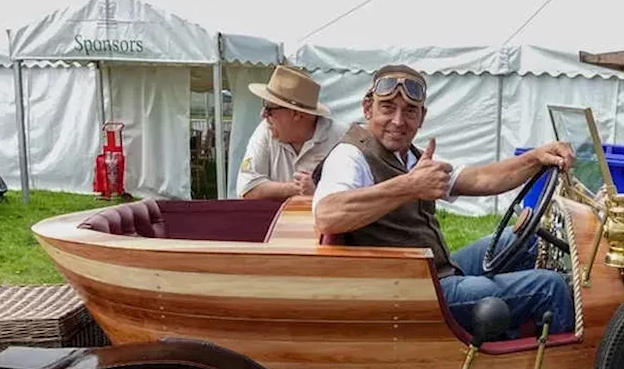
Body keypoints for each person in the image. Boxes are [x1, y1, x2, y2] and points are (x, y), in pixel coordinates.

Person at [312, 64, 575, 338]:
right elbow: (327, 215)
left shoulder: (408, 156)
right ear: (368, 108)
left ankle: (507, 336)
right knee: (550, 287)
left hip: (435, 272)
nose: (398, 121)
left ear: (422, 117)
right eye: (388, 107)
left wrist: (535, 158)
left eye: (410, 111)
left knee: (527, 240)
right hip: (411, 292)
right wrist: (409, 186)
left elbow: (480, 178)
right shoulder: (349, 156)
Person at [236, 65, 341, 200]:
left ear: (295, 114)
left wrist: (317, 192)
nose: (263, 114)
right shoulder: (266, 130)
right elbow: (247, 190)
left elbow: (352, 198)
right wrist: (295, 188)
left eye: (269, 108)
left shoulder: (342, 138)